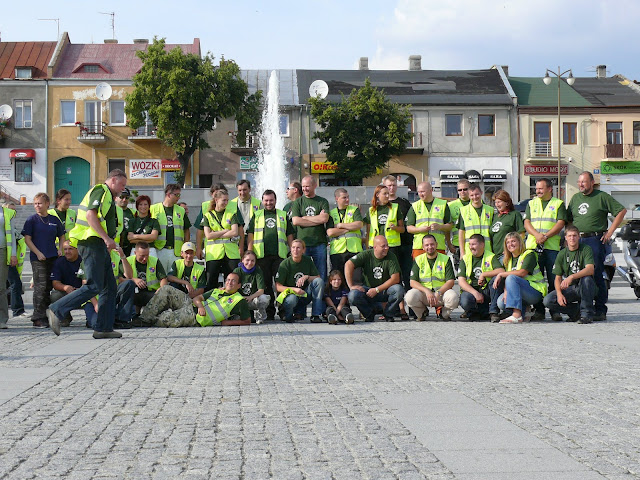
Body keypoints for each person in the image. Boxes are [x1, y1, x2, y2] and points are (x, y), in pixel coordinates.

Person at [47, 169, 128, 338]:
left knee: (109, 287)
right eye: (122, 184)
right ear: (113, 180)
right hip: (91, 242)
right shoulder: (101, 190)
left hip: (98, 244)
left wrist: (106, 240)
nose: (123, 189)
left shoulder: (108, 196)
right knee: (94, 285)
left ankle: (103, 328)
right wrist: (106, 238)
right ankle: (57, 310)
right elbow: (91, 215)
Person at [566, 171, 626, 321]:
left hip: (595, 239)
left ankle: (600, 309)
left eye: (584, 182)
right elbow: (568, 219)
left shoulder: (601, 197)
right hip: (578, 241)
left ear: (592, 183)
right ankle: (583, 309)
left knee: (596, 274)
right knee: (577, 274)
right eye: (579, 182)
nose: (580, 184)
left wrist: (610, 232)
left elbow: (621, 211)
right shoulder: (575, 198)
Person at [134, 272, 251, 327]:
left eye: (233, 281)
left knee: (166, 318)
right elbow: (197, 298)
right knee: (166, 289)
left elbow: (247, 321)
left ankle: (153, 320)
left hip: (197, 318)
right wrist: (200, 305)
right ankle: (144, 319)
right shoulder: (217, 290)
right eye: (228, 280)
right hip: (191, 304)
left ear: (239, 285)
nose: (229, 282)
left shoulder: (239, 300)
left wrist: (227, 323)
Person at [523, 178, 567, 322]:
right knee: (537, 280)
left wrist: (546, 236)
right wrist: (537, 235)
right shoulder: (531, 203)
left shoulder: (558, 203)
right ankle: (539, 311)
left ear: (549, 189)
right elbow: (526, 222)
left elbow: (560, 223)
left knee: (554, 279)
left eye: (541, 189)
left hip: (551, 247)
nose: (538, 191)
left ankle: (555, 310)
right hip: (534, 247)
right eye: (536, 189)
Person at [247, 189, 294, 321]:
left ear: (275, 200)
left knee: (281, 284)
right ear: (262, 201)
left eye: (271, 200)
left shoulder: (282, 214)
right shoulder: (256, 215)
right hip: (261, 256)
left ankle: (283, 311)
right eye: (266, 200)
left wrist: (292, 251)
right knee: (266, 285)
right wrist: (250, 253)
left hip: (280, 256)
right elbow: (250, 235)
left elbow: (289, 234)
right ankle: (269, 312)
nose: (269, 203)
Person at [23, 193, 65, 328]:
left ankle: (48, 314)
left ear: (47, 204)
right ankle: (38, 317)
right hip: (38, 258)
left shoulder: (54, 219)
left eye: (40, 203)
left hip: (52, 256)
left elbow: (62, 236)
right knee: (40, 287)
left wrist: (60, 249)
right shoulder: (31, 220)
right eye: (35, 203)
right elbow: (27, 239)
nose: (37, 206)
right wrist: (38, 253)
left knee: (48, 287)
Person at [543, 226, 596, 324]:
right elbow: (557, 278)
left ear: (579, 237)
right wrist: (559, 294)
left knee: (587, 279)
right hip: (571, 288)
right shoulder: (562, 253)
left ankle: (586, 314)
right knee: (548, 300)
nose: (572, 238)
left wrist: (571, 277)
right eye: (570, 236)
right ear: (566, 238)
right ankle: (576, 312)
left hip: (585, 286)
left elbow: (590, 269)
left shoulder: (586, 249)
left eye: (574, 236)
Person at [345, 235, 404, 322]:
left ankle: (388, 314)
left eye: (387, 245)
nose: (386, 248)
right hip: (368, 290)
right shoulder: (366, 254)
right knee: (352, 295)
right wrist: (351, 286)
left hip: (385, 290)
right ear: (375, 247)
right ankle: (369, 314)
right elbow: (348, 264)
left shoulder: (391, 256)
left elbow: (395, 279)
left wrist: (376, 290)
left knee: (398, 290)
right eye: (383, 246)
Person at [493, 232, 547, 324]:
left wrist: (501, 274)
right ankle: (525, 311)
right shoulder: (508, 259)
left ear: (520, 242)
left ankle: (517, 315)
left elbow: (522, 273)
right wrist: (506, 291)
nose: (510, 244)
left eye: (513, 241)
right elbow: (508, 280)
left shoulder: (529, 254)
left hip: (535, 291)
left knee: (511, 278)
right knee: (501, 303)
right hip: (521, 291)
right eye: (508, 242)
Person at [405, 235, 459, 320]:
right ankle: (422, 313)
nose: (430, 247)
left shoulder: (445, 259)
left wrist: (439, 292)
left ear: (436, 245)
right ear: (423, 247)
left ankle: (443, 314)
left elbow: (450, 281)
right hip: (425, 294)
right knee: (409, 296)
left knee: (453, 297)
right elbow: (413, 282)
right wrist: (426, 291)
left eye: (432, 244)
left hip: (441, 294)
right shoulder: (418, 260)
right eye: (427, 245)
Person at [291, 176, 330, 282]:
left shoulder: (322, 201)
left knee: (321, 272)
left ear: (314, 186)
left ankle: (321, 292)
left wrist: (305, 218)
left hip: (319, 243)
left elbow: (324, 218)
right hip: (302, 244)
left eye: (307, 186)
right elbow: (295, 221)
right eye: (303, 186)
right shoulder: (298, 202)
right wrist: (317, 219)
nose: (304, 189)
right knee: (302, 271)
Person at [457, 234, 504, 322]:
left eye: (474, 244)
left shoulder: (490, 256)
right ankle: (473, 313)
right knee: (465, 300)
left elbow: (501, 270)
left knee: (497, 279)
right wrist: (475, 293)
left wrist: (484, 274)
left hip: (487, 291)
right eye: (470, 244)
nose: (471, 247)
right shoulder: (465, 259)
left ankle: (493, 312)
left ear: (482, 245)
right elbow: (461, 281)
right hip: (472, 291)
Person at [275, 239, 324, 323]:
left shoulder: (308, 260)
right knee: (292, 299)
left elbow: (317, 277)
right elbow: (278, 286)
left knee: (319, 282)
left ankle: (315, 315)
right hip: (290, 295)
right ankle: (288, 316)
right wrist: (294, 290)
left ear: (303, 250)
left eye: (298, 248)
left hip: (303, 294)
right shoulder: (285, 264)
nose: (295, 250)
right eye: (293, 247)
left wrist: (307, 277)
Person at [202, 189, 240, 290]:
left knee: (232, 281)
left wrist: (216, 234)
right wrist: (225, 231)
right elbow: (208, 235)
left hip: (231, 253)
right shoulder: (207, 216)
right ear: (216, 200)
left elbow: (235, 232)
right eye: (224, 200)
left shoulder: (231, 214)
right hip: (214, 254)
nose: (226, 203)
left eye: (227, 200)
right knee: (211, 282)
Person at [150, 184, 191, 273]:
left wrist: (185, 248)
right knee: (160, 275)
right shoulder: (153, 208)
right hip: (159, 249)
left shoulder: (181, 210)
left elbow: (186, 229)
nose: (179, 197)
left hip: (176, 251)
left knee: (175, 275)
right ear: (168, 194)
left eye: (179, 195)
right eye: (177, 195)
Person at [382, 175, 413, 290]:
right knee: (393, 274)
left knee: (407, 272)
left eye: (394, 185)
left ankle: (410, 297)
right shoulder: (380, 206)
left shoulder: (404, 202)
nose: (391, 188)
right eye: (389, 185)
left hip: (405, 243)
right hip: (390, 245)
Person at [406, 181, 452, 258]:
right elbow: (409, 228)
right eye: (419, 192)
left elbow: (450, 226)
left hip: (438, 246)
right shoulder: (415, 206)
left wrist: (439, 227)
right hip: (420, 247)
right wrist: (420, 229)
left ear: (431, 191)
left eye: (423, 191)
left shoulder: (443, 204)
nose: (420, 194)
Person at [326, 188, 363, 273]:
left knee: (356, 277)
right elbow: (330, 232)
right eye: (344, 197)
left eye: (348, 197)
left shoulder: (354, 210)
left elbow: (359, 224)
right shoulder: (331, 213)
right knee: (339, 277)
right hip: (337, 251)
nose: (347, 200)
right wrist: (349, 228)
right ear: (337, 198)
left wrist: (340, 225)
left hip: (354, 249)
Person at [2, 201, 27, 321]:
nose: (14, 212)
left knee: (10, 284)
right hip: (6, 258)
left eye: (15, 210)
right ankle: (17, 310)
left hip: (9, 258)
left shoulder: (13, 226)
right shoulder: (5, 224)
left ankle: (15, 310)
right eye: (11, 209)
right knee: (15, 283)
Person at [364, 185, 405, 257]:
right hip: (375, 246)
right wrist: (367, 248)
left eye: (388, 193)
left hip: (391, 246)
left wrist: (395, 228)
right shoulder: (371, 210)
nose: (387, 196)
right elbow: (368, 232)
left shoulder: (395, 208)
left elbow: (402, 229)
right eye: (384, 194)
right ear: (377, 195)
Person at [126, 241, 168, 308]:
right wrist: (134, 280)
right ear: (135, 253)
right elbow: (121, 279)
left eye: (147, 255)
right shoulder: (127, 261)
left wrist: (160, 290)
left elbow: (163, 279)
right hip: (134, 291)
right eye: (142, 256)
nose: (145, 258)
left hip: (151, 292)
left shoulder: (154, 261)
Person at [233, 250, 270, 324]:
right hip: (240, 300)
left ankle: (260, 316)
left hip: (253, 299)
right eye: (247, 260)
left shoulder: (258, 270)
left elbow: (261, 290)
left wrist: (250, 297)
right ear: (242, 260)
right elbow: (231, 289)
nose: (250, 263)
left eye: (252, 261)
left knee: (264, 298)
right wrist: (240, 298)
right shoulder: (237, 271)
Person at [458, 183, 494, 257]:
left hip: (487, 249)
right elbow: (461, 233)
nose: (475, 197)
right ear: (469, 196)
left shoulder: (490, 210)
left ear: (481, 193)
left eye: (477, 194)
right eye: (472, 195)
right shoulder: (464, 211)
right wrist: (462, 252)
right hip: (470, 250)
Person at [489, 189, 524, 262]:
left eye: (499, 202)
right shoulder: (495, 216)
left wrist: (513, 250)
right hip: (494, 255)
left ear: (507, 203)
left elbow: (521, 234)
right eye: (495, 202)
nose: (497, 205)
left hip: (506, 254)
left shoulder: (514, 215)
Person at [195, 183, 227, 260]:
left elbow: (239, 229)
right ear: (211, 194)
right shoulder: (205, 206)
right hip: (212, 250)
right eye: (216, 194)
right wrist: (199, 248)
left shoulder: (232, 206)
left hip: (229, 250)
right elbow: (200, 230)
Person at [227, 179, 261, 250]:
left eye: (245, 190)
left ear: (250, 189)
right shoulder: (231, 204)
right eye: (240, 190)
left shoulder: (258, 204)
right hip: (237, 238)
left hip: (253, 237)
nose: (242, 192)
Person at [1, 202, 19, 329]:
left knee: (1, 286)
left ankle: (2, 319)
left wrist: (13, 254)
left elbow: (12, 234)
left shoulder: (7, 213)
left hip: (2, 251)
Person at [447, 178, 471, 264]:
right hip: (457, 245)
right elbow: (447, 227)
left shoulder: (478, 203)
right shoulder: (451, 206)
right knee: (460, 271)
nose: (462, 192)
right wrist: (449, 244)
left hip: (474, 243)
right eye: (460, 190)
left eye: (465, 189)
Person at [115, 187, 136, 254]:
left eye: (126, 197)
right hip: (115, 246)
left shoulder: (134, 213)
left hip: (130, 247)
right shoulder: (112, 211)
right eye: (121, 197)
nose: (124, 200)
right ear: (116, 198)